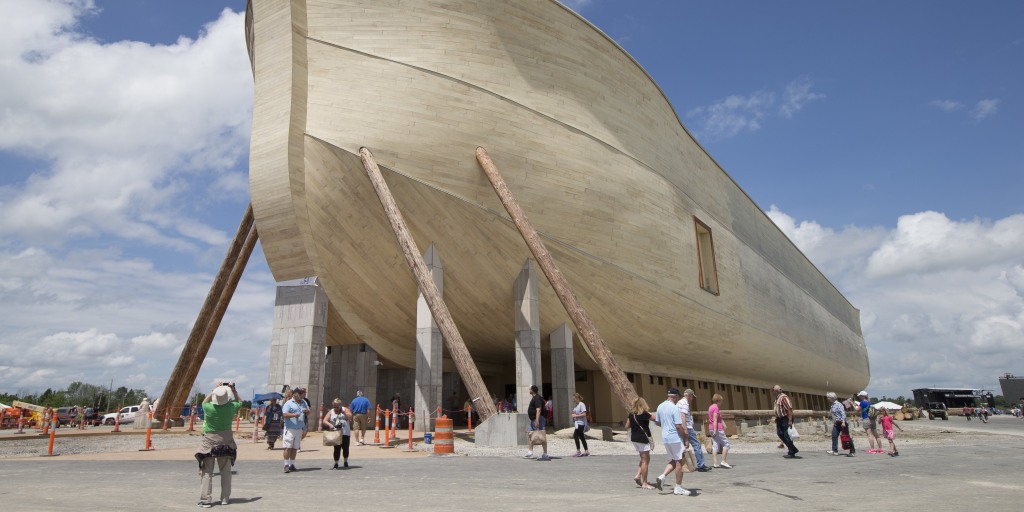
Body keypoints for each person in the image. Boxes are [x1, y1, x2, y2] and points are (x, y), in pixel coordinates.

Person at [195, 383, 241, 507]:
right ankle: (225, 498)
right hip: (226, 443)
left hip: (209, 443)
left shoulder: (208, 408)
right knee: (226, 472)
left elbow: (204, 401)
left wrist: (214, 390)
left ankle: (206, 500)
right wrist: (233, 389)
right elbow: (240, 401)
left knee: (207, 472)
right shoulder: (231, 407)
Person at [652, 388, 693, 496]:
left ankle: (662, 476)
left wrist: (666, 424)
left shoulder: (660, 406)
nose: (678, 399)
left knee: (674, 460)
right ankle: (678, 487)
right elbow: (678, 426)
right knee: (680, 461)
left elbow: (657, 422)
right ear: (675, 396)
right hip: (674, 437)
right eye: (678, 397)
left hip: (665, 437)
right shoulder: (674, 408)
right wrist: (685, 437)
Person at [625, 397, 657, 490]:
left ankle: (638, 475)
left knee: (644, 458)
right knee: (645, 461)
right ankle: (645, 483)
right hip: (643, 438)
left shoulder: (631, 414)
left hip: (635, 438)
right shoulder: (645, 414)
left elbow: (627, 426)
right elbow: (655, 419)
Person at [678, 389, 709, 471]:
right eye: (692, 397)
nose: (692, 399)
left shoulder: (679, 402)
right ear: (689, 395)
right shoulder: (685, 403)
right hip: (687, 426)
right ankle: (701, 465)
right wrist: (685, 429)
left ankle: (682, 465)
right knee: (696, 444)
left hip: (679, 426)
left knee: (682, 446)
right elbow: (683, 416)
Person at [282, 387, 309, 473]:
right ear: (295, 394)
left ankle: (292, 464)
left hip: (299, 427)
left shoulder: (303, 402)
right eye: (300, 393)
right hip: (290, 428)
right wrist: (294, 415)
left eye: (302, 393)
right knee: (288, 447)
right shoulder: (289, 403)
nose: (302, 395)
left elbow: (309, 412)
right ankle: (286, 464)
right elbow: (284, 414)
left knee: (295, 447)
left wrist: (306, 411)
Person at [323, 398, 352, 469]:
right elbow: (324, 420)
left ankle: (345, 461)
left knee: (345, 448)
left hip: (345, 433)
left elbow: (350, 417)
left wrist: (344, 413)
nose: (336, 408)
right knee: (336, 449)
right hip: (336, 433)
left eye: (337, 407)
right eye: (334, 406)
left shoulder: (345, 409)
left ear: (340, 405)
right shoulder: (331, 411)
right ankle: (336, 463)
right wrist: (330, 425)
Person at [523, 385, 550, 460]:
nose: (529, 390)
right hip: (533, 420)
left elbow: (538, 410)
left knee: (542, 435)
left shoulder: (537, 398)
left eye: (530, 389)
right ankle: (530, 452)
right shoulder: (535, 398)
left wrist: (537, 420)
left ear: (532, 390)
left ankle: (545, 454)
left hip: (538, 419)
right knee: (530, 434)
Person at [772, 385, 799, 458]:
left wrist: (790, 420)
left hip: (785, 418)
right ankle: (793, 449)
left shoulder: (784, 398)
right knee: (780, 433)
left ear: (776, 391)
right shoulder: (777, 398)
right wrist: (777, 417)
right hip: (780, 419)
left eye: (773, 391)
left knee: (787, 435)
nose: (772, 392)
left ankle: (791, 452)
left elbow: (789, 410)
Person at [826, 392, 855, 457]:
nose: (827, 398)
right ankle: (834, 450)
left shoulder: (838, 404)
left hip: (842, 422)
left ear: (832, 398)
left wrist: (843, 422)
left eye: (828, 397)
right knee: (834, 435)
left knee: (846, 436)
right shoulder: (832, 405)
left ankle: (852, 451)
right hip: (836, 422)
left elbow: (843, 413)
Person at [707, 393, 731, 469]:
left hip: (710, 428)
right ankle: (723, 461)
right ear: (718, 400)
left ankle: (715, 463)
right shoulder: (716, 408)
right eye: (721, 401)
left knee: (715, 444)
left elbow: (718, 418)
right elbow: (715, 419)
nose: (722, 403)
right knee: (726, 444)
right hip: (717, 428)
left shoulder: (711, 407)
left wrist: (724, 424)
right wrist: (715, 429)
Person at [571, 392, 590, 457]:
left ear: (577, 398)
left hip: (581, 423)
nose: (573, 400)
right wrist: (573, 414)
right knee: (581, 437)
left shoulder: (581, 404)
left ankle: (578, 451)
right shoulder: (576, 405)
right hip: (577, 423)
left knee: (575, 435)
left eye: (574, 399)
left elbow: (584, 414)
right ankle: (586, 451)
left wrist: (576, 415)